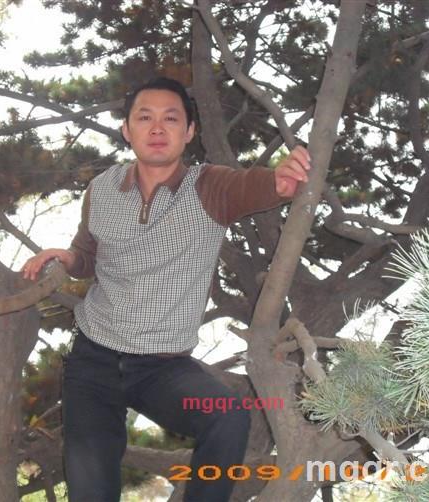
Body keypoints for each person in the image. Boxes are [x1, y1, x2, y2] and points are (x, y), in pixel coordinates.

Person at [21, 77, 311, 502]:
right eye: (145, 118)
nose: (157, 128)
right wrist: (68, 258)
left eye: (171, 119)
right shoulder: (102, 188)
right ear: (127, 129)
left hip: (161, 370)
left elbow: (261, 185)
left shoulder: (210, 187)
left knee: (228, 416)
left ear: (189, 131)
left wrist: (282, 181)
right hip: (92, 363)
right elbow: (88, 254)